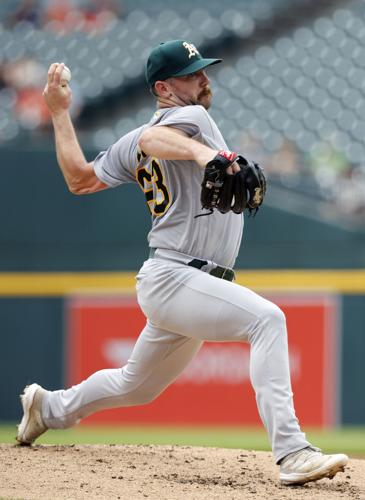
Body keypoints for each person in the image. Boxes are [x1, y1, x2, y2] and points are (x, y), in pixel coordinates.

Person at [16, 39, 348, 486]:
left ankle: (47, 407)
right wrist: (205, 154)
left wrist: (59, 112)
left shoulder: (133, 141)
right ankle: (292, 452)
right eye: (193, 74)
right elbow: (155, 137)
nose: (204, 79)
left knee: (137, 384)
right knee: (267, 320)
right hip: (177, 275)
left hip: (181, 282)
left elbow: (78, 177)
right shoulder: (189, 119)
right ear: (164, 87)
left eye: (202, 70)